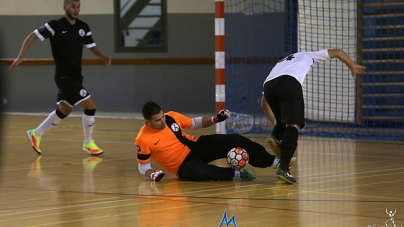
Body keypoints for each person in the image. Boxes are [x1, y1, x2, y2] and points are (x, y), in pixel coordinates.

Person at [10, 0, 111, 155]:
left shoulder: (83, 27)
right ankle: (88, 142)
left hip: (76, 76)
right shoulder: (55, 25)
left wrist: (102, 56)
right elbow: (32, 36)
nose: (76, 10)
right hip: (64, 77)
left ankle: (36, 133)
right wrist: (20, 56)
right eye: (73, 6)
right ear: (65, 7)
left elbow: (91, 45)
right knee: (91, 106)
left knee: (64, 110)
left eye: (78, 7)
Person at [263, 49, 366, 184]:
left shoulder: (280, 64)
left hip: (268, 86)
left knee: (284, 123)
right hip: (289, 82)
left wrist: (274, 122)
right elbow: (337, 52)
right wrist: (352, 65)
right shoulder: (307, 55)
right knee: (293, 125)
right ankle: (283, 169)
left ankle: (275, 135)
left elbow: (263, 102)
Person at [135, 101, 288, 182]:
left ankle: (275, 163)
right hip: (183, 165)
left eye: (162, 117)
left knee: (234, 139)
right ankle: (237, 173)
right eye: (157, 120)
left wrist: (216, 119)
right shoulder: (143, 139)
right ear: (147, 122)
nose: (162, 122)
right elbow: (143, 166)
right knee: (197, 171)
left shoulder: (171, 117)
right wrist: (152, 175)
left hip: (197, 146)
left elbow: (194, 123)